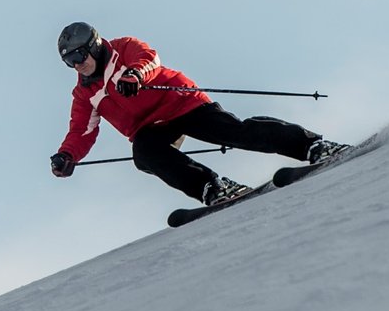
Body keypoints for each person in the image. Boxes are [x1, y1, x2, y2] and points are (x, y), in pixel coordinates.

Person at [50, 22, 349, 207]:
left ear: (95, 45)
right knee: (144, 154)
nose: (77, 64)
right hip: (149, 127)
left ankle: (311, 145)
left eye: (78, 55)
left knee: (234, 133)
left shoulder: (123, 49)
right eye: (69, 61)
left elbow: (149, 58)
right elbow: (81, 131)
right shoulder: (85, 92)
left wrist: (135, 76)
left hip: (178, 103)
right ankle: (211, 186)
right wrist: (68, 155)